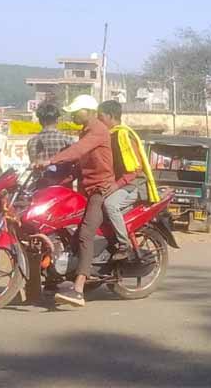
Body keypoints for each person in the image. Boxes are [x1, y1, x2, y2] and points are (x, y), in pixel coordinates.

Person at [38, 95, 114, 308]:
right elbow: (78, 166)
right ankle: (55, 278)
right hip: (85, 189)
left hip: (100, 189)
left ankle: (79, 290)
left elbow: (77, 151)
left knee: (85, 234)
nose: (72, 115)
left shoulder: (98, 130)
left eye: (75, 111)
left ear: (88, 111)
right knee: (65, 228)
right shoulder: (85, 131)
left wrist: (51, 160)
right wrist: (54, 181)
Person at [97, 100, 160, 260]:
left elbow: (135, 169)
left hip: (134, 184)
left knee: (110, 205)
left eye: (100, 117)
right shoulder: (109, 135)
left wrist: (115, 185)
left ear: (110, 116)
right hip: (121, 185)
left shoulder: (123, 135)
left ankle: (124, 245)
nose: (98, 120)